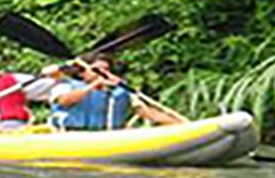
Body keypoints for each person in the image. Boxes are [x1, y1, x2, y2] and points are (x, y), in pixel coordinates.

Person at [48, 53, 182, 131]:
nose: (102, 73)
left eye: (106, 70)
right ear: (83, 72)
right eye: (96, 70)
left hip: (110, 137)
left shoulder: (119, 91)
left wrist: (182, 127)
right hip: (70, 136)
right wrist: (94, 85)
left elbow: (150, 113)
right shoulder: (64, 85)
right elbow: (65, 101)